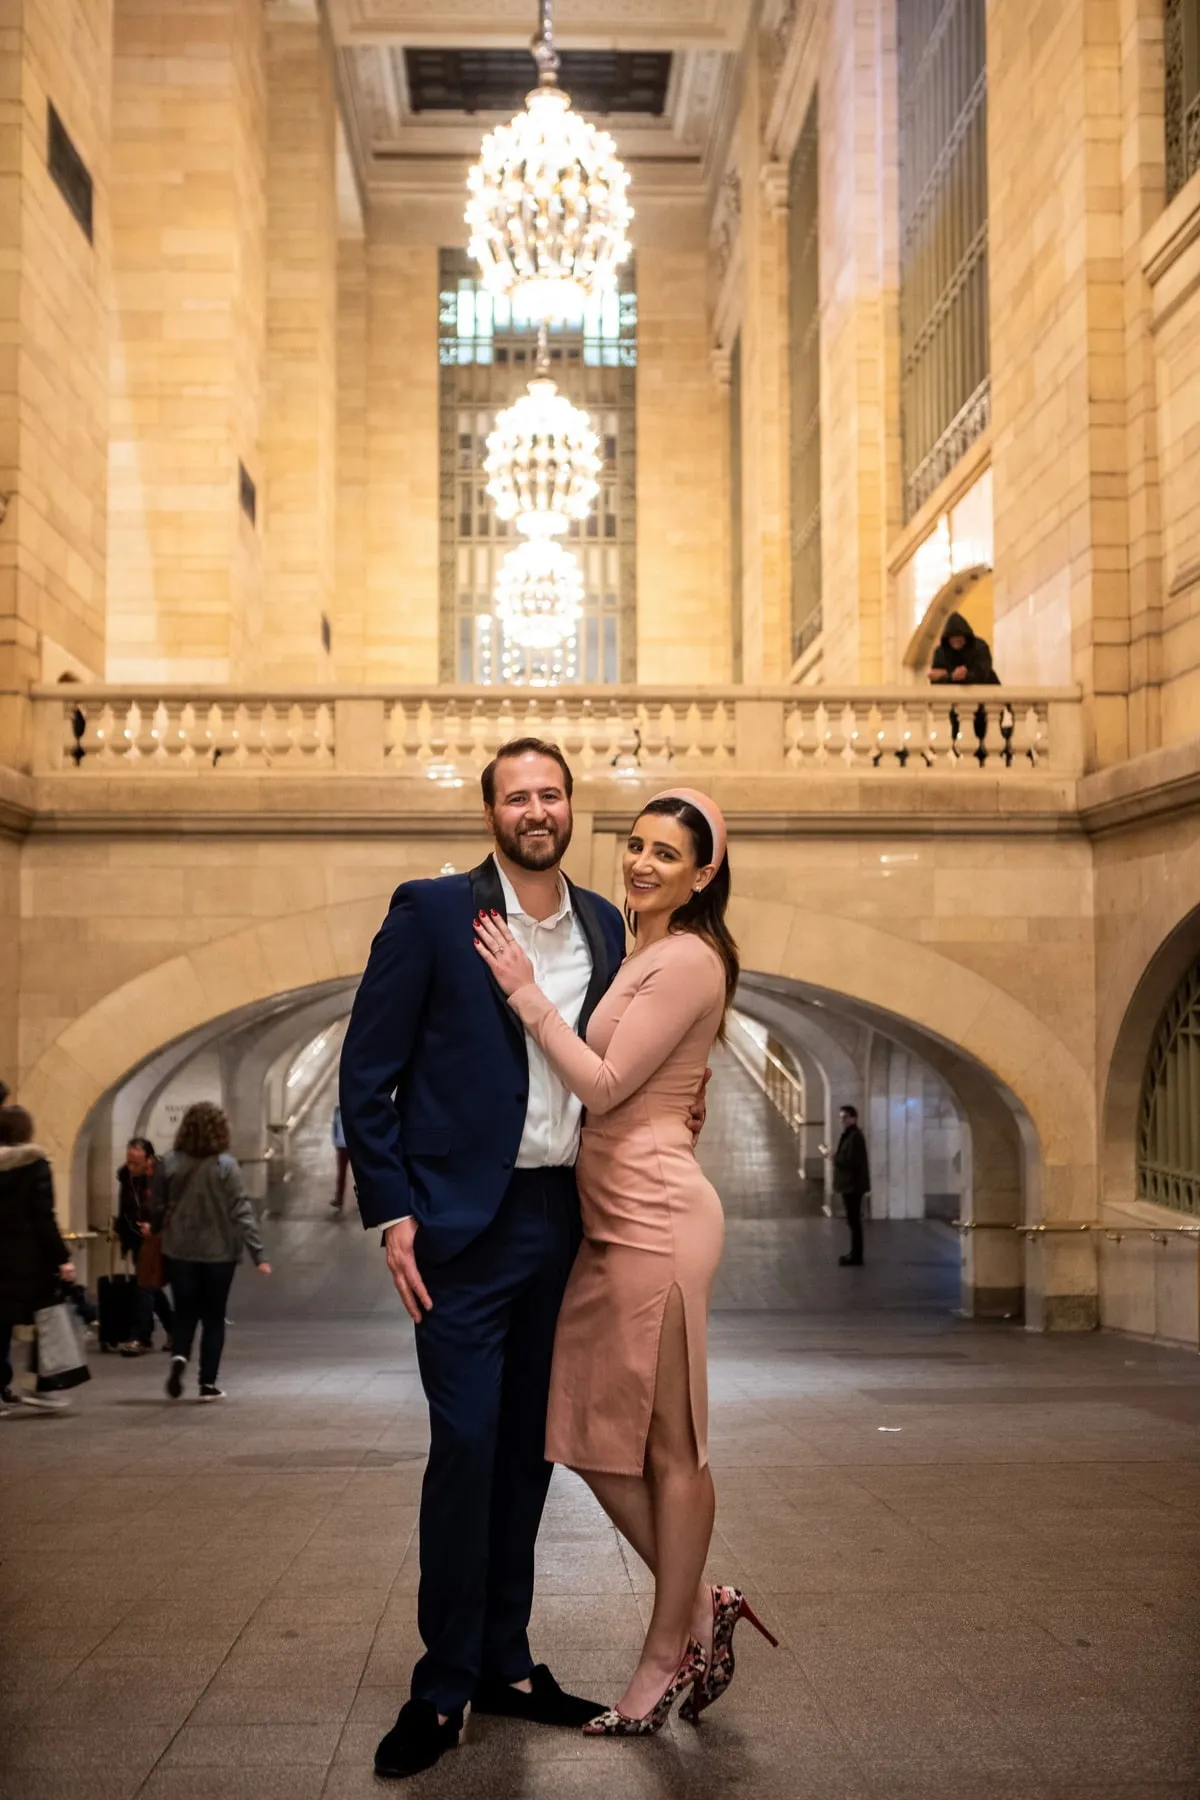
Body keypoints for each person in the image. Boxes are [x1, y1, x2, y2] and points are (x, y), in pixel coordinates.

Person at [342, 738, 638, 1780]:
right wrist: (394, 1213)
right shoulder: (432, 913)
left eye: (551, 792)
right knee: (465, 1446)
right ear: (491, 815)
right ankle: (441, 1685)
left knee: (530, 1451)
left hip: (565, 1220)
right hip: (461, 1232)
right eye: (517, 796)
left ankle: (506, 1663)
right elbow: (365, 1072)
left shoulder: (606, 922)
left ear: (572, 808)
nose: (537, 809)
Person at [475, 788, 775, 1737]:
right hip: (616, 1218)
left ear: (704, 873)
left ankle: (661, 1656)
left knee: (671, 1448)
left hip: (656, 1219)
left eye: (667, 854)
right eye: (636, 846)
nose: (642, 864)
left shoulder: (686, 957)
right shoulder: (648, 952)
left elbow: (604, 1084)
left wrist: (526, 994)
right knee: (585, 1432)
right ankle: (700, 1607)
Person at [156, 1102, 270, 1402]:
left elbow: (156, 1206)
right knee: (214, 1316)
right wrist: (258, 1253)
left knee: (184, 1312)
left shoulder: (168, 1162)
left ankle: (179, 1357)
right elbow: (241, 1210)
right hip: (219, 1252)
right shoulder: (226, 1166)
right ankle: (207, 1383)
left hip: (178, 1250)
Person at [0, 1104, 77, 1413]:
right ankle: (43, 1385)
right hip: (30, 1259)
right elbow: (43, 1216)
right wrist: (62, 1258)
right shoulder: (34, 1164)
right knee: (45, 1320)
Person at [115, 1136, 174, 1353]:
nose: (131, 1167)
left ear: (149, 1159)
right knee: (150, 1286)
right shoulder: (126, 1176)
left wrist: (154, 1225)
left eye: (136, 1163)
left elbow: (167, 1206)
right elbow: (125, 1208)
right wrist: (123, 1233)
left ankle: (137, 1336)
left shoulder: (161, 1175)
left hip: (154, 1238)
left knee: (145, 1287)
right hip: (134, 1236)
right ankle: (173, 1328)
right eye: (129, 1161)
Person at [927, 610, 1001, 759]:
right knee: (958, 738)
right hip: (957, 706)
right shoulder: (941, 652)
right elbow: (935, 678)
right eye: (953, 639)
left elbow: (984, 671)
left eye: (959, 638)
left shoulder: (979, 647)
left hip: (984, 704)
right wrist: (952, 676)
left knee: (986, 737)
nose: (956, 642)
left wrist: (965, 675)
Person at [824, 1105, 871, 1266]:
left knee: (854, 1221)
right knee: (852, 1221)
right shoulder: (850, 1135)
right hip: (851, 1185)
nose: (842, 1121)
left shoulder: (855, 1136)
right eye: (841, 1117)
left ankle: (856, 1255)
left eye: (845, 1117)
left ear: (853, 1118)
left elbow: (851, 1161)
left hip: (853, 1186)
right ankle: (854, 1253)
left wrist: (833, 1158)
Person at [331, 1103, 350, 1210]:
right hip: (342, 1146)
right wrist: (335, 1142)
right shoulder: (337, 1110)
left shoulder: (355, 1109)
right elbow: (334, 1127)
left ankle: (364, 1199)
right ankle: (339, 1198)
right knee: (341, 1174)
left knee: (360, 1175)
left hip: (353, 1146)